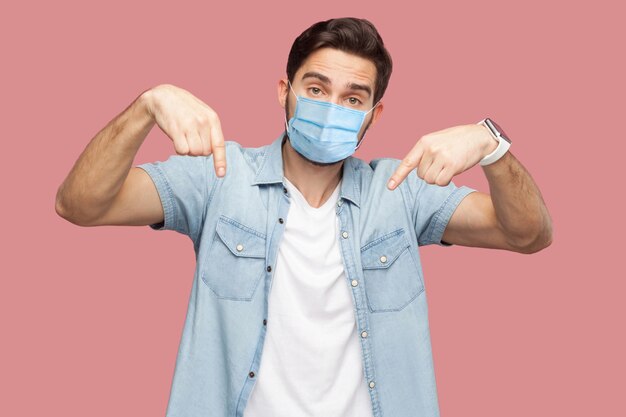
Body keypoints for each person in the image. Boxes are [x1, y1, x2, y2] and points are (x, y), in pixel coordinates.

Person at [56, 17, 552, 417]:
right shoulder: (219, 176)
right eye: (316, 89)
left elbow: (527, 234)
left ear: (374, 115)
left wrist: (492, 147)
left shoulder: (401, 190)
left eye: (353, 98)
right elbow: (80, 205)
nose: (331, 107)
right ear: (284, 91)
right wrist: (147, 105)